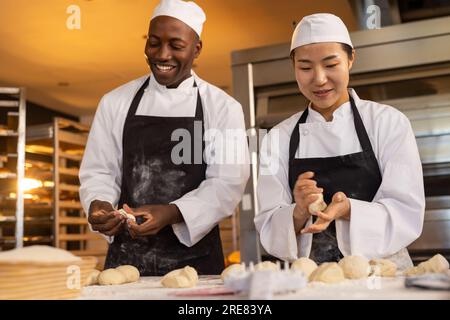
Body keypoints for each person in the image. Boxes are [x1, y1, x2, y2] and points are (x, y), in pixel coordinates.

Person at [79, 0, 249, 275]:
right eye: (154, 43)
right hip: (127, 262)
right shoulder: (115, 102)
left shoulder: (222, 108)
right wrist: (98, 203)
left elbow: (226, 183)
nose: (162, 54)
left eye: (176, 46)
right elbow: (99, 170)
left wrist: (173, 212)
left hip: (197, 263)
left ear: (196, 49)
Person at [254, 13, 424, 270]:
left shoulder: (388, 123)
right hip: (310, 280)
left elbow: (406, 212)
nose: (319, 79)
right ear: (294, 67)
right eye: (305, 67)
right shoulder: (278, 137)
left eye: (331, 65)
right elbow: (268, 226)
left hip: (383, 276)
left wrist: (348, 210)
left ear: (351, 58)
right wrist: (298, 210)